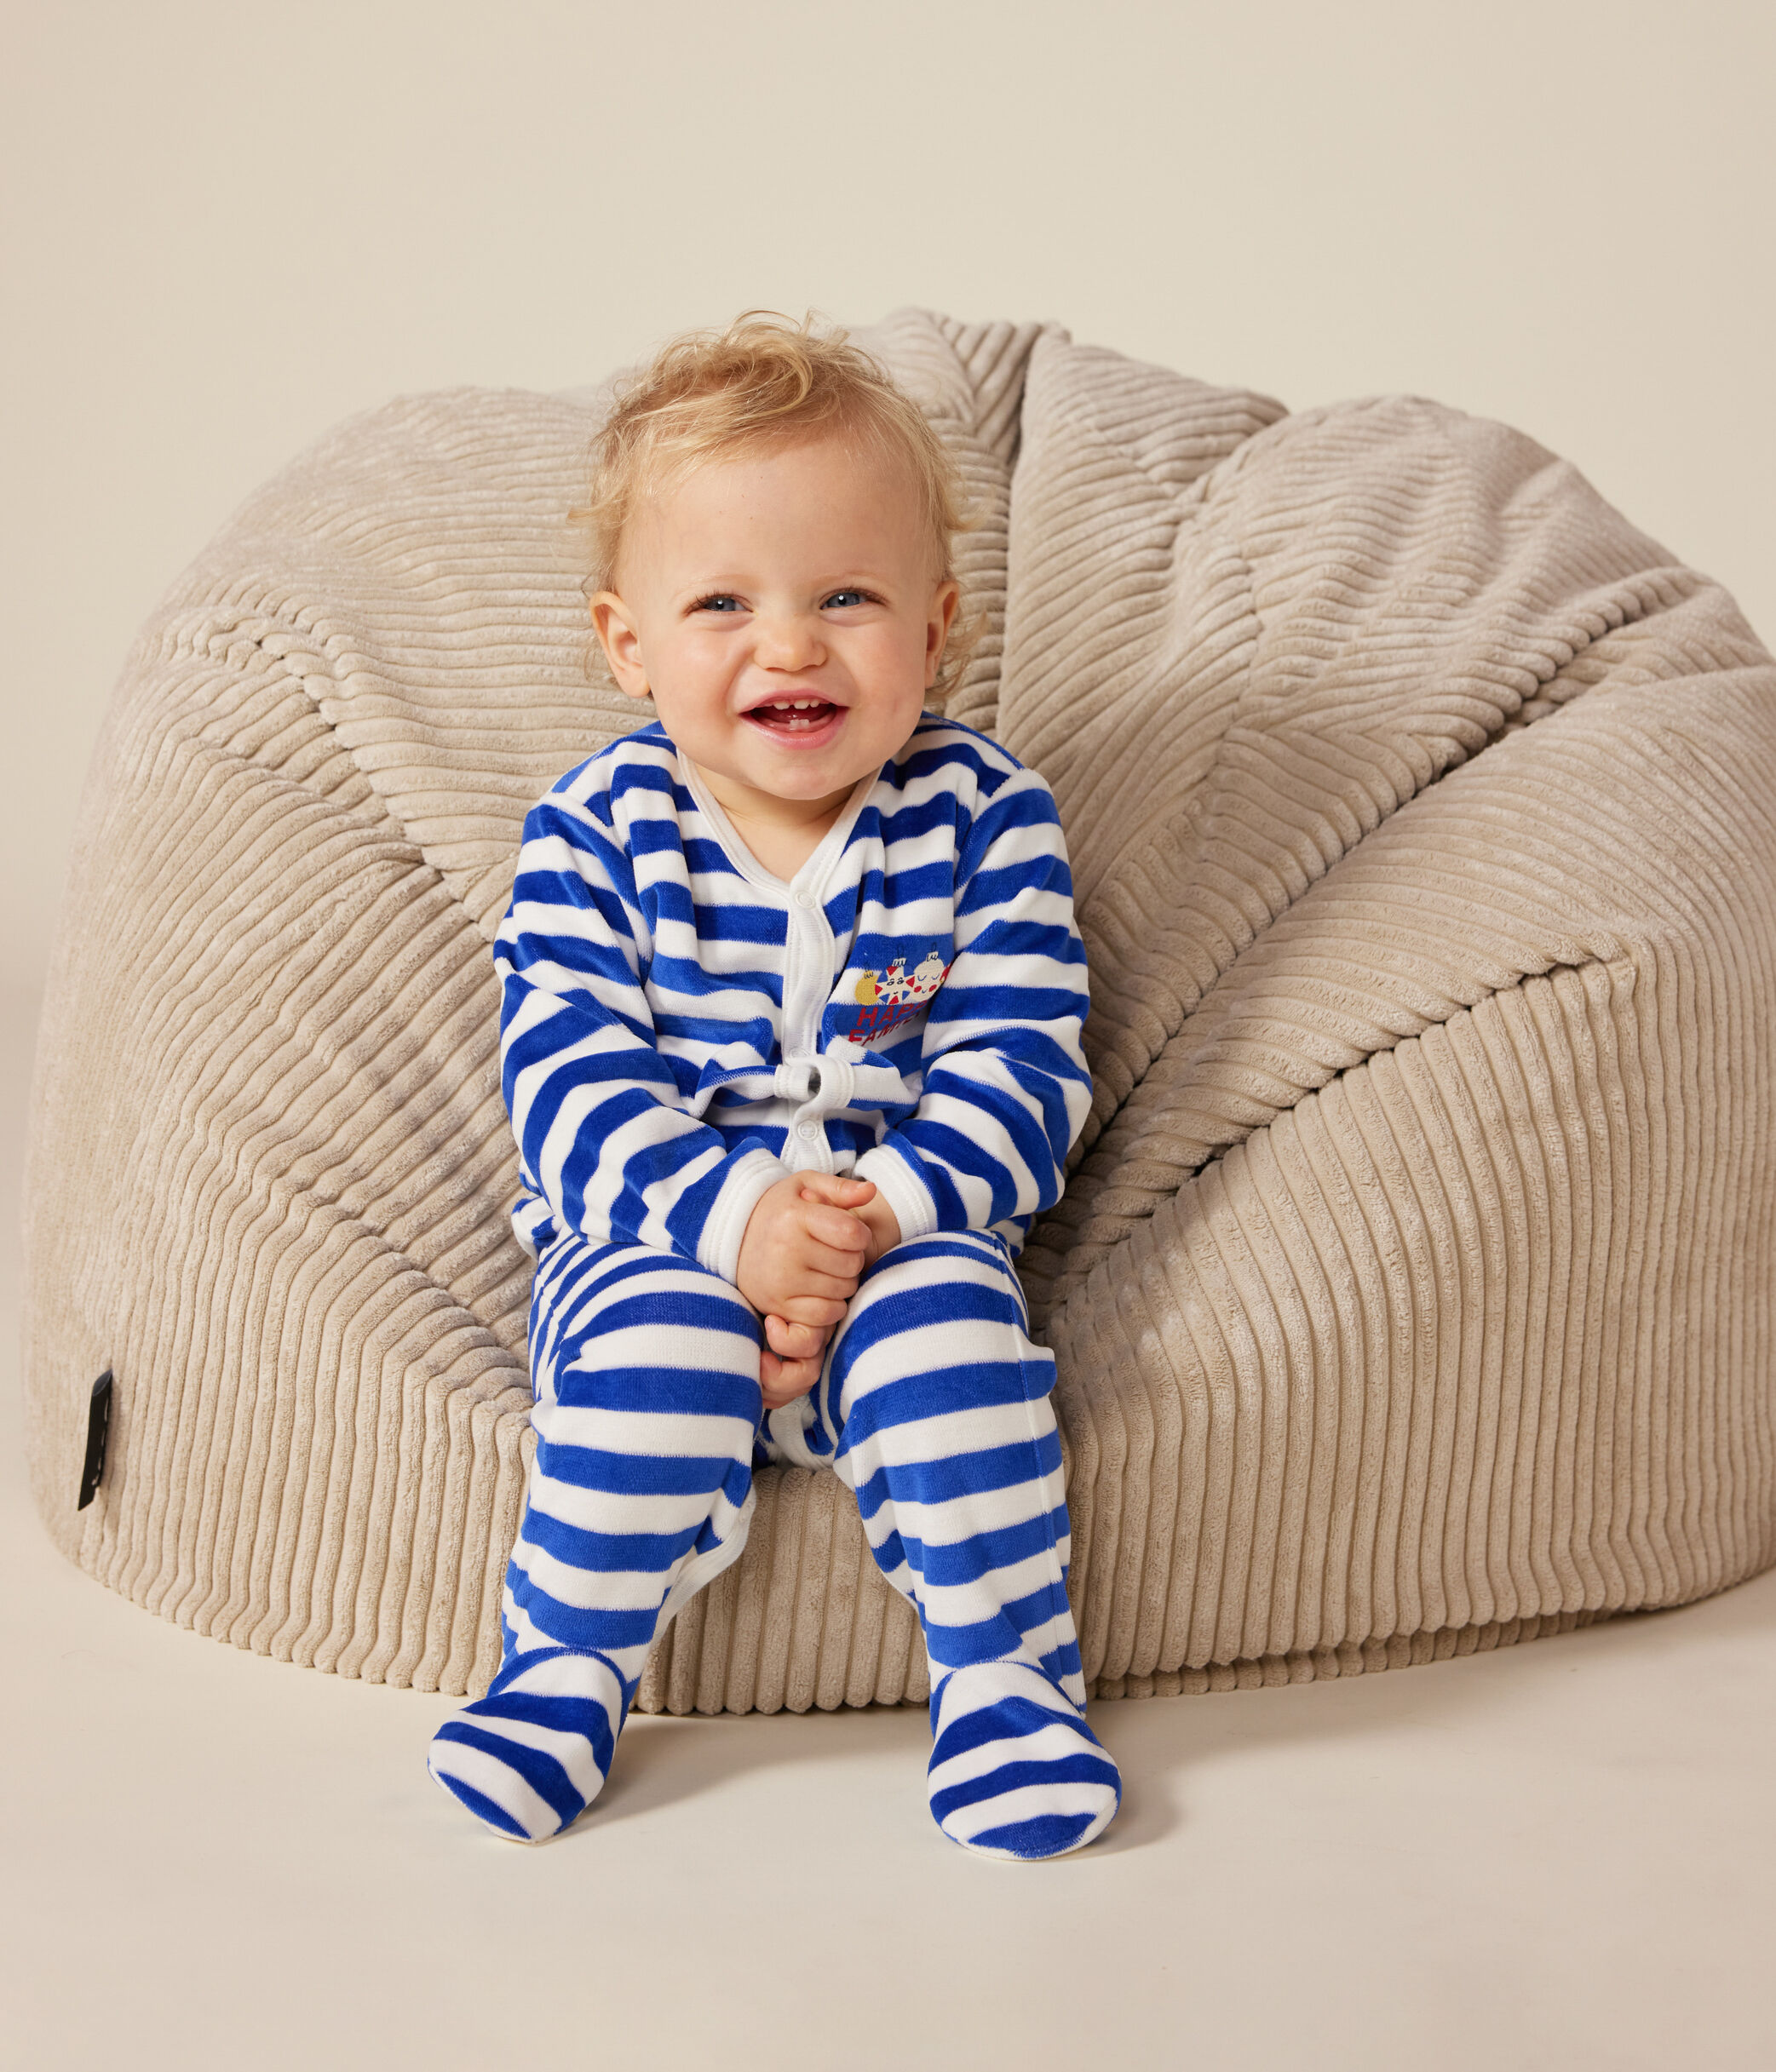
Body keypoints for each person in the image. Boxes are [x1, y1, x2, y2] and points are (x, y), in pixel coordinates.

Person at [426, 313, 1121, 1861]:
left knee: (960, 1355)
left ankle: (1008, 1682)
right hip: (659, 1235)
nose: (791, 646)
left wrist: (874, 1218)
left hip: (903, 1232)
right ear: (628, 645)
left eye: (846, 597)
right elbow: (570, 1088)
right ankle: (563, 1666)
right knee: (649, 1360)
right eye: (723, 603)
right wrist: (739, 1228)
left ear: (937, 628)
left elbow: (1026, 1066)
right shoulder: (593, 830)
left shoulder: (984, 815)